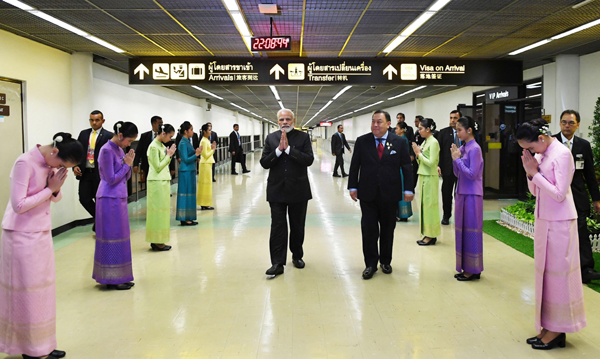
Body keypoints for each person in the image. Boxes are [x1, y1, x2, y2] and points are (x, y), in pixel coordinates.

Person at [0, 133, 83, 359]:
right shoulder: (24, 163)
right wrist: (50, 189)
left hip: (41, 233)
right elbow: (18, 205)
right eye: (62, 165)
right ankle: (29, 348)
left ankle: (43, 344)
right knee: (26, 294)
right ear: (55, 152)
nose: (59, 168)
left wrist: (55, 189)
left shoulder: (50, 163)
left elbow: (54, 197)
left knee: (43, 292)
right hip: (20, 236)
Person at [517, 118, 586, 350]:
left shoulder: (562, 154)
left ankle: (558, 329)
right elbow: (535, 192)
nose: (530, 152)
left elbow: (559, 194)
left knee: (559, 277)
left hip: (561, 222)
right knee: (544, 275)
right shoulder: (541, 154)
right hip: (544, 219)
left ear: (541, 138)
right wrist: (530, 173)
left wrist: (534, 173)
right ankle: (548, 324)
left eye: (531, 148)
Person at [348, 110, 414, 280]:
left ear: (388, 124)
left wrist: (408, 189)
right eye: (373, 122)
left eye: (379, 122)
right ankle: (370, 264)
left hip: (390, 194)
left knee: (387, 229)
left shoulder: (398, 142)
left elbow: (407, 166)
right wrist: (352, 186)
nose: (375, 125)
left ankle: (385, 261)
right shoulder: (363, 141)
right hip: (368, 193)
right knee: (369, 229)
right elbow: (355, 165)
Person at [260, 109, 314, 277]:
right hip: (276, 190)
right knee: (277, 227)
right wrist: (278, 151)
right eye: (282, 119)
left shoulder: (303, 137)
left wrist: (289, 150)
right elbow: (264, 163)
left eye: (288, 119)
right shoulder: (271, 138)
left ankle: (297, 256)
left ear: (293, 120)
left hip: (298, 190)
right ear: (278, 122)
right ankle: (277, 262)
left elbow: (309, 160)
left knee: (297, 226)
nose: (285, 122)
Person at [554, 109, 600, 284]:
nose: (567, 126)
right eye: (564, 122)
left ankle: (586, 268)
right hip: (557, 197)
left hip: (578, 196)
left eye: (571, 123)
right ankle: (559, 268)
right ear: (559, 123)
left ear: (578, 125)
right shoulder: (551, 143)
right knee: (559, 233)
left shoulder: (583, 145)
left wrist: (596, 199)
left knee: (581, 230)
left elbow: (589, 174)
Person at [93, 121, 138, 290]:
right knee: (112, 236)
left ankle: (120, 274)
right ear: (120, 136)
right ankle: (111, 277)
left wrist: (129, 164)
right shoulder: (106, 150)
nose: (129, 144)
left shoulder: (119, 149)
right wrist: (126, 165)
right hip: (108, 198)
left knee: (121, 235)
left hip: (119, 196)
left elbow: (124, 177)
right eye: (129, 141)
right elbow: (110, 179)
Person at [450, 117, 484, 281]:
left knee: (471, 231)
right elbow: (458, 173)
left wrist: (458, 160)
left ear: (469, 130)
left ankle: (473, 269)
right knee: (462, 230)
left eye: (459, 130)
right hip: (462, 192)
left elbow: (473, 174)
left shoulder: (475, 149)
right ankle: (466, 267)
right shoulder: (464, 148)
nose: (457, 133)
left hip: (472, 194)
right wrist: (455, 159)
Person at [73, 110, 112, 232]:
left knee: (101, 200)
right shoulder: (84, 134)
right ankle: (100, 219)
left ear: (103, 121)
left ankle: (100, 222)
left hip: (100, 174)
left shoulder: (108, 136)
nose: (94, 123)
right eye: (92, 120)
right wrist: (75, 166)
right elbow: (78, 152)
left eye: (97, 120)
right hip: (85, 172)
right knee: (84, 198)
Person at [146, 123, 177, 251]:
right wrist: (169, 155)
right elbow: (158, 166)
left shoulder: (161, 145)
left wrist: (168, 154)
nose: (170, 139)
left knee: (163, 212)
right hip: (156, 182)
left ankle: (160, 239)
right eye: (170, 136)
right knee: (157, 212)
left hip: (162, 180)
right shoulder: (153, 147)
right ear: (163, 134)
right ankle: (156, 240)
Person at [412, 118, 441, 245]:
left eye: (421, 129)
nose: (419, 131)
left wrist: (419, 154)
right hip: (424, 175)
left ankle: (431, 235)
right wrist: (418, 154)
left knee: (430, 206)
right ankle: (426, 233)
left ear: (428, 129)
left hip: (430, 176)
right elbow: (422, 160)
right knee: (424, 206)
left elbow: (432, 163)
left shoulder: (433, 142)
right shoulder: (425, 142)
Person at [437, 110, 462, 225]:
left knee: (460, 194)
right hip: (448, 169)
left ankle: (461, 215)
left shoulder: (465, 133)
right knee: (446, 193)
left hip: (462, 169)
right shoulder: (443, 133)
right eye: (451, 118)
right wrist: (438, 165)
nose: (452, 120)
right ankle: (446, 215)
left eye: (455, 118)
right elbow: (439, 151)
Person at [176, 122, 202, 225]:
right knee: (185, 194)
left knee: (190, 194)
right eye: (191, 129)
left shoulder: (187, 142)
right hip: (185, 171)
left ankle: (189, 217)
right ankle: (184, 218)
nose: (193, 131)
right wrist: (196, 154)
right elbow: (185, 159)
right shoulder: (182, 143)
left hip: (190, 170)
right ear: (186, 131)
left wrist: (196, 153)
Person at [133, 115, 163, 182]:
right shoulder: (145, 136)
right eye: (159, 124)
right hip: (147, 166)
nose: (161, 126)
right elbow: (139, 151)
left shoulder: (163, 136)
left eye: (162, 123)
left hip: (161, 165)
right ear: (153, 124)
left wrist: (172, 167)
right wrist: (135, 164)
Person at [395, 122, 414, 222]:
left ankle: (402, 214)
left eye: (397, 128)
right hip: (400, 167)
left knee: (401, 189)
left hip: (401, 168)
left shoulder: (402, 139)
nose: (395, 130)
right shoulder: (403, 139)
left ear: (402, 129)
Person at [197, 124, 217, 210]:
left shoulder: (206, 140)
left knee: (207, 184)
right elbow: (205, 154)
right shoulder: (204, 141)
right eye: (209, 130)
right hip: (205, 164)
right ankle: (204, 203)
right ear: (204, 132)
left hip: (207, 164)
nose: (210, 132)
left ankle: (205, 203)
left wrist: (211, 148)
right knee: (205, 184)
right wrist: (213, 150)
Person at [412, 115, 425, 188]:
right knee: (414, 172)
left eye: (417, 121)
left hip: (423, 155)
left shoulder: (424, 134)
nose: (415, 123)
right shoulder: (417, 132)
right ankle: (412, 187)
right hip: (416, 155)